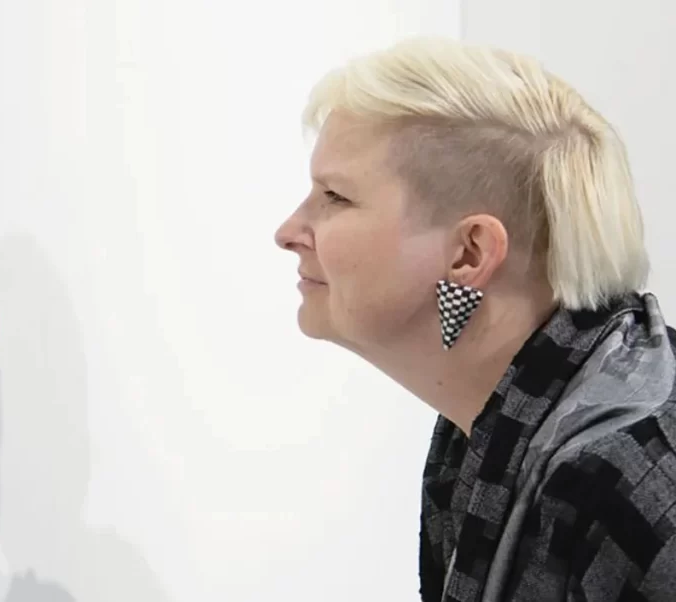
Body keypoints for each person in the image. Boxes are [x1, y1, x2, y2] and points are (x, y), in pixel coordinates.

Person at [274, 37, 676, 602]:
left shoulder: (634, 485)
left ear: (469, 253)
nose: (288, 231)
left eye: (335, 196)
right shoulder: (484, 433)